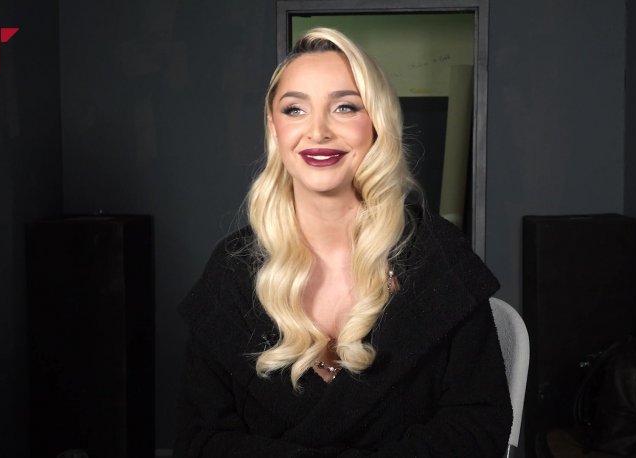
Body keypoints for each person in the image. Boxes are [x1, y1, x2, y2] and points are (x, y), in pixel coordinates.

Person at [175, 27, 512, 457]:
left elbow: (479, 426)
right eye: (295, 109)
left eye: (345, 107)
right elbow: (200, 440)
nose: (317, 131)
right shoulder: (232, 269)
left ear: (376, 123)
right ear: (274, 128)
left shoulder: (439, 256)